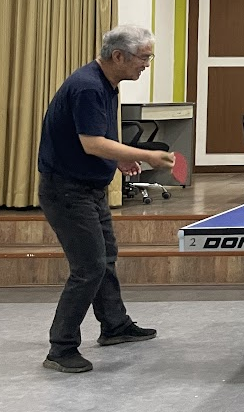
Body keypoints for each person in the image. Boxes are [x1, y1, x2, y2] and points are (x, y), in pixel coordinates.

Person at [37, 25, 177, 373]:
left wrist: (118, 159)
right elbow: (92, 143)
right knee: (89, 268)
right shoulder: (88, 86)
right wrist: (146, 155)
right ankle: (61, 348)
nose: (146, 65)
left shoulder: (106, 83)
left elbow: (93, 137)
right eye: (143, 58)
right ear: (118, 56)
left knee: (105, 258)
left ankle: (115, 325)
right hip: (67, 191)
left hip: (87, 188)